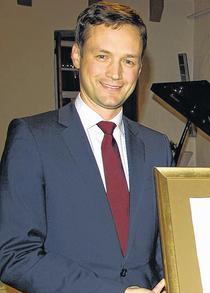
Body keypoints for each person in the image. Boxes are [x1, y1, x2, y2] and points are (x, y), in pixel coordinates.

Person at [0, 2, 170, 292]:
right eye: (103, 56)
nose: (115, 74)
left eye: (128, 60)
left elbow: (162, 249)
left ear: (140, 68)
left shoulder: (158, 146)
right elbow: (15, 254)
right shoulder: (32, 137)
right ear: (77, 55)